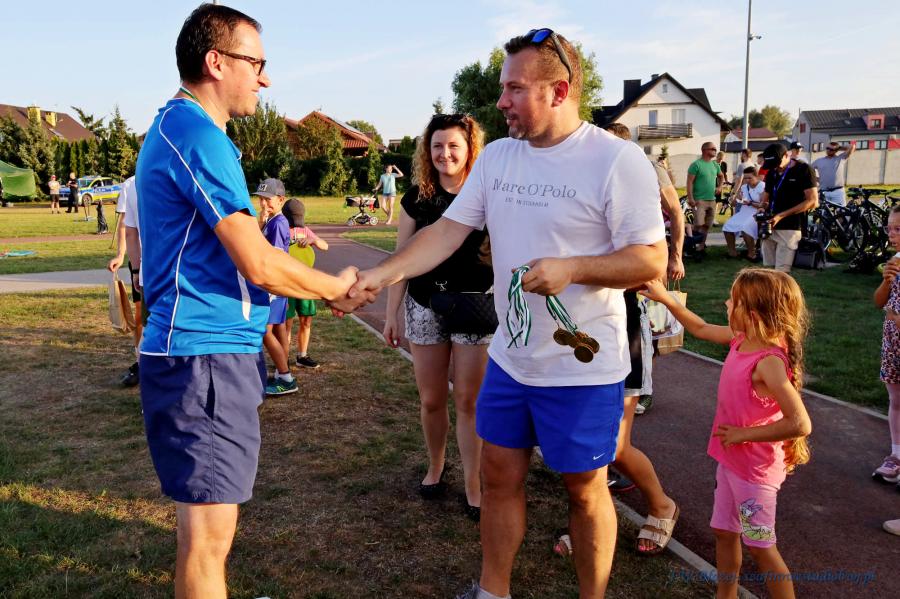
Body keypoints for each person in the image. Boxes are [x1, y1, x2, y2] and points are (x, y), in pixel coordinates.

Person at [354, 28, 667, 599]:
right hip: (510, 358)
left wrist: (574, 268)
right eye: (503, 88)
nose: (500, 102)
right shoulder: (497, 157)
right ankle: (491, 591)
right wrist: (382, 274)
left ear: (559, 91)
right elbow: (446, 231)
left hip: (581, 368)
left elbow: (651, 259)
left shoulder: (616, 160)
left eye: (515, 89)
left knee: (584, 491)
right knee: (498, 478)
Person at [135, 6, 372, 598]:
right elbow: (259, 262)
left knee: (205, 530)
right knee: (207, 536)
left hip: (205, 352)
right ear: (216, 62)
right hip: (204, 355)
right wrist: (336, 288)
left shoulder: (183, 129)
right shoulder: (197, 135)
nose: (265, 78)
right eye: (256, 63)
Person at [642, 268, 812, 599]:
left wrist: (743, 434)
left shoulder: (768, 361)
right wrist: (666, 299)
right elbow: (700, 328)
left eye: (733, 301)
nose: (725, 303)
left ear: (753, 314)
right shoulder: (741, 339)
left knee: (760, 545)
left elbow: (800, 423)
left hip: (754, 473)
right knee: (724, 531)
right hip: (731, 463)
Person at [383, 113, 492, 521]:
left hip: (475, 309)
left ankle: (474, 483)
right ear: (427, 152)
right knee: (431, 399)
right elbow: (401, 260)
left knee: (468, 401)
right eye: (437, 146)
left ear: (470, 150)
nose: (445, 153)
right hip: (425, 304)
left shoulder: (486, 194)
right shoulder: (417, 197)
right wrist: (392, 314)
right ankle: (436, 465)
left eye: (453, 146)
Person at [255, 178, 298, 396]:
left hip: (273, 287)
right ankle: (282, 372)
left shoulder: (279, 223)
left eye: (268, 200)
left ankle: (286, 377)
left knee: (264, 331)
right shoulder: (270, 221)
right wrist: (261, 223)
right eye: (261, 199)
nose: (263, 204)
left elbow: (275, 257)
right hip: (274, 287)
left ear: (281, 200)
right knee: (277, 329)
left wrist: (275, 288)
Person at [282, 198, 329, 370]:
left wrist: (312, 240)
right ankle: (283, 359)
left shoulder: (304, 230)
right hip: (286, 284)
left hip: (305, 284)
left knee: (306, 320)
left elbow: (325, 246)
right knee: (286, 324)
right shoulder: (280, 229)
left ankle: (302, 356)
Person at [758, 143, 818, 273]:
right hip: (769, 226)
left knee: (781, 271)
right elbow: (766, 196)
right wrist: (762, 208)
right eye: (771, 165)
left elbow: (813, 201)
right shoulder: (772, 172)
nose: (775, 167)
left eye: (776, 163)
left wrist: (781, 216)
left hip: (790, 227)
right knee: (768, 270)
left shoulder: (803, 169)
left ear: (787, 155)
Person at [872, 205, 900, 484]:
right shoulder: (895, 262)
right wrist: (887, 280)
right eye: (889, 228)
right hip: (893, 344)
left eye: (898, 229)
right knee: (896, 399)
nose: (891, 234)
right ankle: (896, 454)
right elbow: (879, 301)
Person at [107, 176, 142, 387]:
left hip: (170, 261)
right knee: (141, 315)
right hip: (141, 261)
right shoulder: (130, 184)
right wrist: (121, 255)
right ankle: (141, 361)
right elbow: (125, 225)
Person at [686, 142, 724, 250]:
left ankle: (701, 247)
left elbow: (721, 176)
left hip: (712, 200)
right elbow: (689, 182)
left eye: (715, 149)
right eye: (712, 149)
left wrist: (720, 187)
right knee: (698, 225)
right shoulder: (696, 165)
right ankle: (690, 244)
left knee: (707, 226)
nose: (715, 151)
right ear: (704, 150)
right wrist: (691, 198)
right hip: (699, 200)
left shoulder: (715, 165)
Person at [723, 167, 764, 261]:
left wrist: (750, 203)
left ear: (756, 176)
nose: (747, 180)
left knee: (746, 227)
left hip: (756, 212)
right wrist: (734, 198)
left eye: (750, 178)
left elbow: (763, 205)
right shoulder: (744, 187)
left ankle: (751, 253)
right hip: (744, 211)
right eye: (745, 178)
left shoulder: (762, 186)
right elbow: (735, 202)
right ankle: (732, 252)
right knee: (727, 226)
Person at [811, 141, 856, 207]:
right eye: (827, 148)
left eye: (831, 149)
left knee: (840, 211)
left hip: (838, 192)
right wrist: (817, 179)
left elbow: (852, 147)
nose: (828, 150)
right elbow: (809, 171)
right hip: (824, 192)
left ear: (836, 150)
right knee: (823, 212)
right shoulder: (819, 161)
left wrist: (839, 147)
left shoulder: (841, 158)